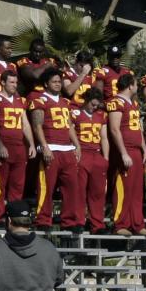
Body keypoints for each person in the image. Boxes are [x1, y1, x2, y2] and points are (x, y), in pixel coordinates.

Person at [26, 70, 83, 231]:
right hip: (51, 147)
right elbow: (37, 126)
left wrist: (77, 145)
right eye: (54, 81)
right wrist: (44, 147)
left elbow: (69, 125)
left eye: (59, 81)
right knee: (46, 186)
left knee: (72, 187)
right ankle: (43, 219)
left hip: (67, 149)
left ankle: (70, 221)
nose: (58, 84)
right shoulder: (39, 100)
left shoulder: (65, 102)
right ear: (46, 83)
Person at [106, 75, 146, 237]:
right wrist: (123, 152)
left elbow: (138, 130)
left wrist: (145, 150)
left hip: (136, 150)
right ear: (131, 86)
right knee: (122, 188)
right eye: (136, 84)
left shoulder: (133, 103)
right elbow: (114, 129)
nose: (137, 87)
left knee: (137, 189)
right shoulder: (115, 102)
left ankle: (138, 224)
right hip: (124, 151)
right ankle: (120, 223)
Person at [0, 71, 32, 223]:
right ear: (3, 82)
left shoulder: (20, 100)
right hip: (4, 144)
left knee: (17, 184)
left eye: (16, 82)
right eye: (11, 82)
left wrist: (31, 143)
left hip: (19, 147)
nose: (14, 85)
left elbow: (25, 124)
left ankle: (14, 215)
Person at [71, 88, 111, 234]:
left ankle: (97, 224)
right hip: (82, 154)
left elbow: (104, 137)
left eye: (96, 105)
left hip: (96, 154)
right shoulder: (75, 113)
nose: (94, 108)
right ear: (86, 101)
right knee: (79, 191)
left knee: (98, 193)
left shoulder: (101, 116)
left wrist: (105, 158)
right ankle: (79, 221)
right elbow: (70, 131)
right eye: (92, 105)